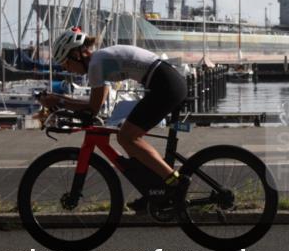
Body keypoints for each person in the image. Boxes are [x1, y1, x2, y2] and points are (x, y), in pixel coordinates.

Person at [39, 29, 189, 209]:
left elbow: (92, 108)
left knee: (127, 137)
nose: (66, 68)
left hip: (165, 85)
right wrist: (60, 100)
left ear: (77, 54)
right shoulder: (100, 61)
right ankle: (155, 189)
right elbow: (98, 101)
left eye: (66, 62)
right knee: (128, 140)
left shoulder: (96, 63)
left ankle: (175, 183)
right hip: (166, 82)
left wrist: (60, 101)